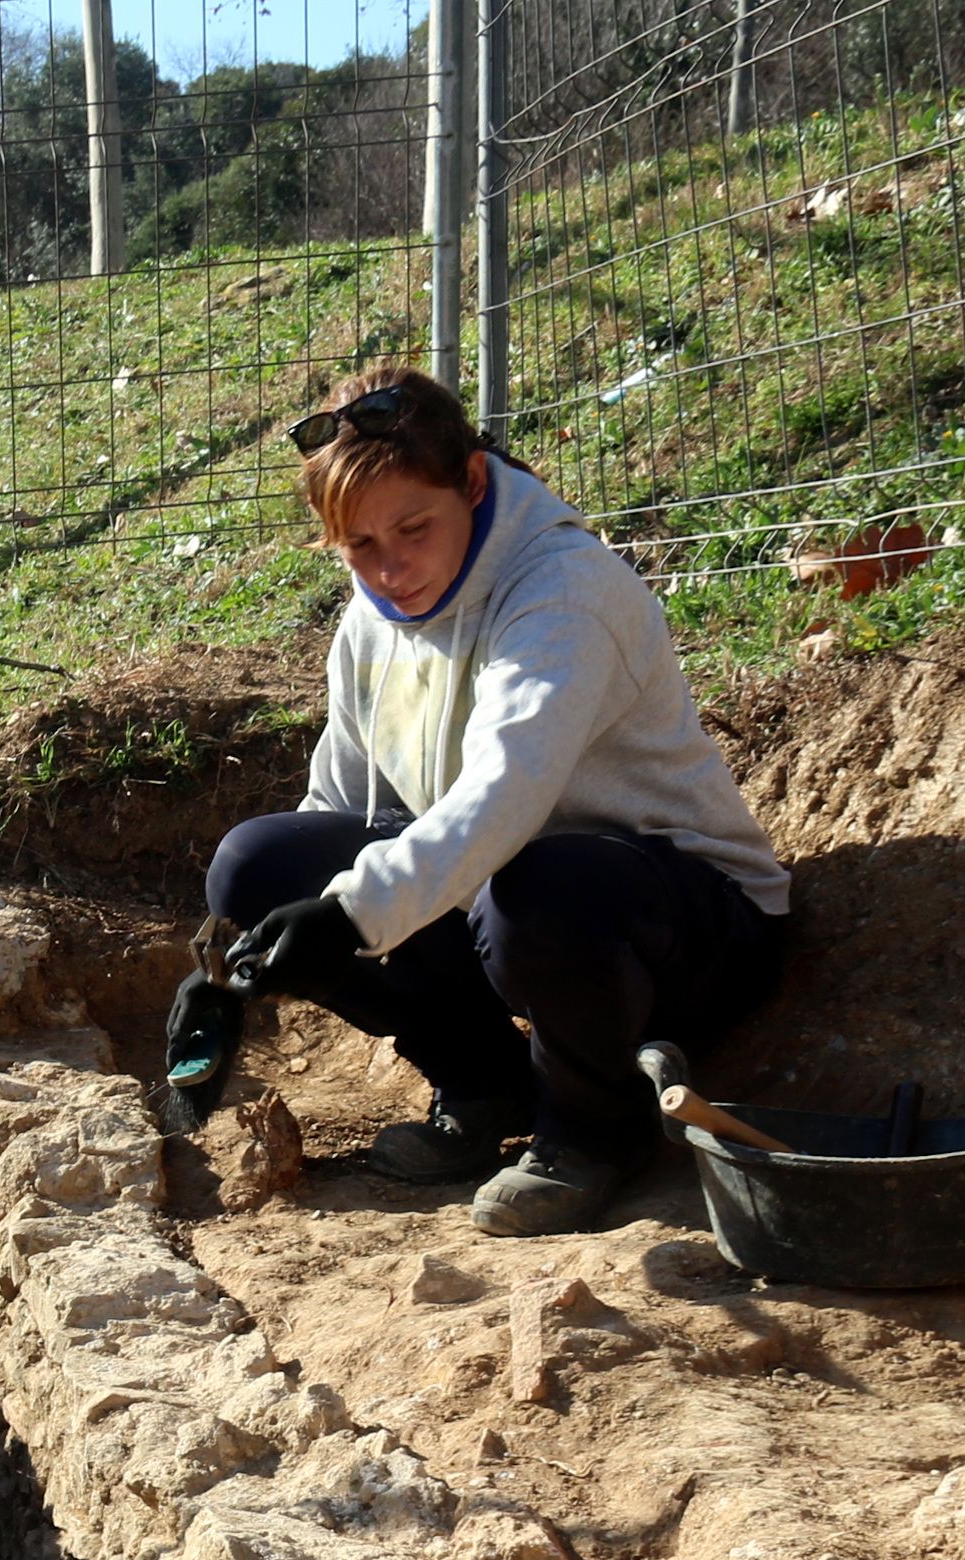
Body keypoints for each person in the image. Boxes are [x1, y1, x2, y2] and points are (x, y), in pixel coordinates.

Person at [165, 365, 789, 1237]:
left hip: (676, 917)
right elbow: (338, 803)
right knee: (259, 866)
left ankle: (594, 1131)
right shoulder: (373, 616)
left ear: (473, 482)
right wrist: (230, 968)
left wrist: (349, 918)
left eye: (414, 528)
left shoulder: (563, 593)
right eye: (360, 547)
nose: (391, 568)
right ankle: (486, 1081)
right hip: (508, 902)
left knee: (531, 886)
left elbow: (505, 795)